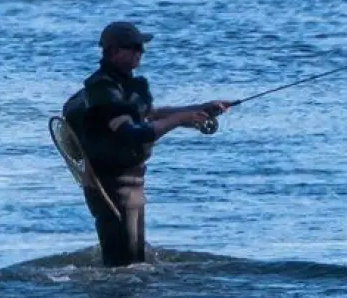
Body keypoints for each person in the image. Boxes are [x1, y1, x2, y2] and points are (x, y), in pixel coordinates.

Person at [72, 21, 232, 267]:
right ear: (113, 51)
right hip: (110, 188)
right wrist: (180, 119)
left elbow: (148, 116)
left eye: (141, 47)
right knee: (122, 265)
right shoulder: (103, 87)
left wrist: (198, 110)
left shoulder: (123, 84)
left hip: (132, 183)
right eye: (134, 47)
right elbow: (132, 133)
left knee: (135, 262)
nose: (140, 53)